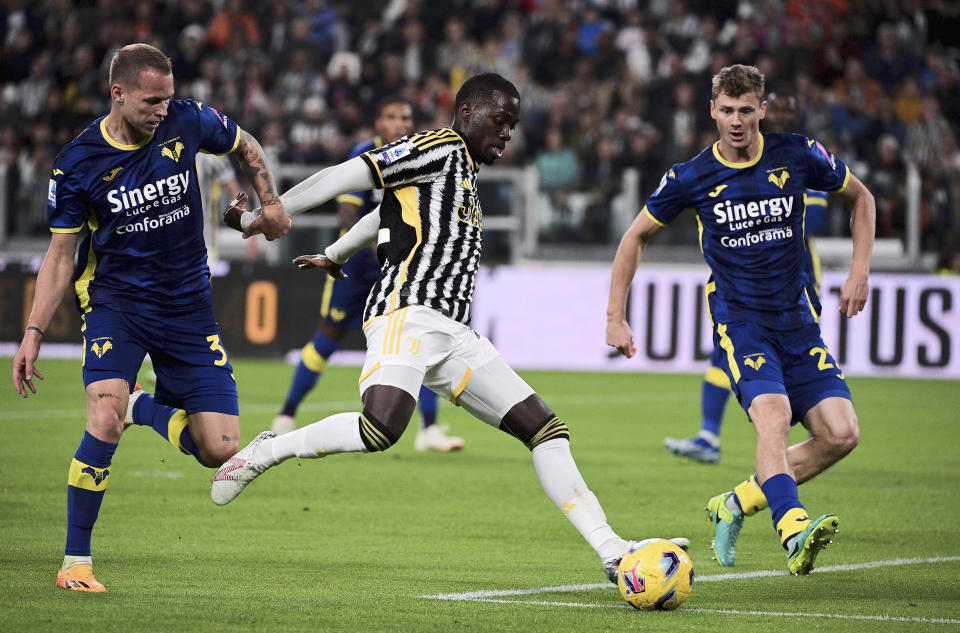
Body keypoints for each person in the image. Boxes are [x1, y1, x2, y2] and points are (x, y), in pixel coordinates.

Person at [214, 72, 687, 581]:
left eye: (513, 125)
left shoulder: (459, 173)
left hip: (455, 332)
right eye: (500, 120)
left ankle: (612, 550)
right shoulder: (438, 147)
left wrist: (334, 253)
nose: (507, 133)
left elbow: (383, 215)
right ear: (466, 113)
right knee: (381, 428)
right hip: (408, 309)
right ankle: (268, 451)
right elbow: (349, 174)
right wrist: (270, 211)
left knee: (547, 430)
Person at [11, 43, 290, 592]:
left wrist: (270, 201)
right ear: (118, 94)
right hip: (118, 305)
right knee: (104, 413)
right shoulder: (77, 164)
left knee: (221, 450)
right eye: (151, 101)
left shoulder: (186, 120)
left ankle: (143, 405)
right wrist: (33, 332)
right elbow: (61, 257)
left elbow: (245, 144)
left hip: (189, 306)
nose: (162, 110)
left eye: (166, 98)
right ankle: (75, 561)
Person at [607, 65, 875, 574]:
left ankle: (735, 503)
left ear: (762, 110)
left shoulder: (795, 153)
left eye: (745, 110)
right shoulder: (690, 177)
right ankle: (793, 528)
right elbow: (634, 237)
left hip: (798, 319)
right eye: (726, 110)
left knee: (842, 435)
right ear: (712, 110)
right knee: (772, 416)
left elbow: (862, 197)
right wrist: (615, 316)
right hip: (742, 322)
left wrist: (860, 271)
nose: (735, 121)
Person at [270, 96, 464, 453]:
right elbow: (347, 214)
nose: (400, 122)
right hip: (356, 266)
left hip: (402, 266)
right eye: (391, 116)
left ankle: (430, 429)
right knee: (326, 340)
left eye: (405, 116)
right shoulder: (366, 155)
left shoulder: (419, 154)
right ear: (378, 123)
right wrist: (379, 245)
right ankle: (286, 415)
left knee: (417, 339)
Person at [664, 91, 830, 464]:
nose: (784, 114)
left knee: (782, 365)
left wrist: (758, 220)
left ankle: (798, 439)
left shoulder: (803, 158)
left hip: (795, 279)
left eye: (789, 107)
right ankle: (712, 435)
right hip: (743, 286)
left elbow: (814, 219)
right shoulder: (743, 163)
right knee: (724, 354)